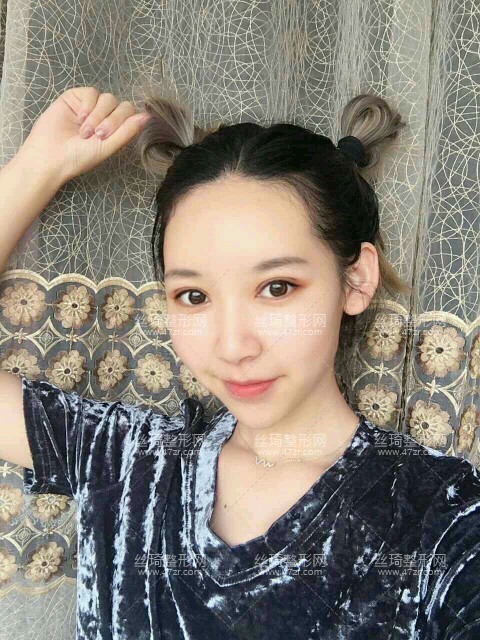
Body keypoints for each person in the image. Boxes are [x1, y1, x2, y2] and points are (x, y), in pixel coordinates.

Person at [0, 85, 479, 640]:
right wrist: (36, 168)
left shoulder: (440, 520)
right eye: (193, 296)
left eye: (276, 287)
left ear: (356, 280)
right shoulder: (128, 463)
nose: (232, 346)